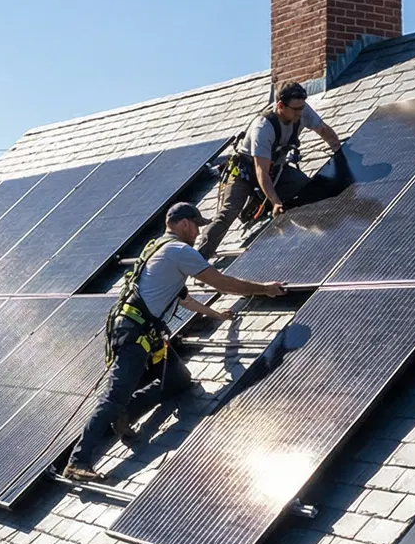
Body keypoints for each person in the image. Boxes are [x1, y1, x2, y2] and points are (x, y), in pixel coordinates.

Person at [63, 202, 290, 483]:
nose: (197, 233)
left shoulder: (158, 249)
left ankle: (126, 410)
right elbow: (223, 283)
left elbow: (184, 298)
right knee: (113, 396)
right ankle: (78, 461)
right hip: (134, 335)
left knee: (179, 381)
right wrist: (264, 289)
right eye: (196, 226)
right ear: (184, 223)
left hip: (145, 334)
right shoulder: (178, 250)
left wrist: (217, 313)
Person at [197, 78, 349, 260]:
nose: (300, 113)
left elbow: (324, 131)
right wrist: (276, 201)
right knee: (228, 212)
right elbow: (261, 171)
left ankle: (303, 232)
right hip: (246, 172)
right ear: (280, 106)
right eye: (295, 109)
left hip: (277, 170)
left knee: (308, 187)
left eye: (302, 107)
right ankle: (199, 258)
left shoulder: (302, 111)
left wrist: (340, 154)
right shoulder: (263, 127)